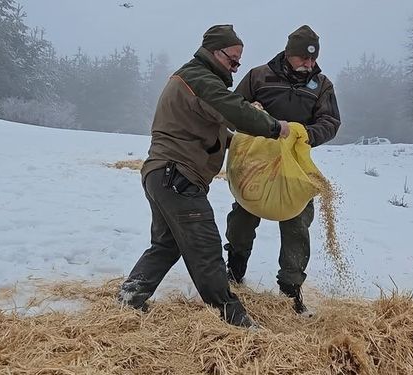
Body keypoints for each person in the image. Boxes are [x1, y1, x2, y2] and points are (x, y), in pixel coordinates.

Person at [118, 25, 290, 328]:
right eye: (232, 59)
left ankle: (129, 298)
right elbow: (233, 111)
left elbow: (211, 129)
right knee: (207, 248)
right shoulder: (200, 79)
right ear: (214, 51)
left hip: (161, 174)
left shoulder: (193, 79)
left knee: (166, 244)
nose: (236, 67)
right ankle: (234, 320)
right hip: (178, 176)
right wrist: (275, 127)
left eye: (239, 62)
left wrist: (240, 143)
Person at [224, 25, 341, 316]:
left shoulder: (322, 85)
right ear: (289, 54)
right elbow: (233, 109)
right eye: (303, 58)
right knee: (242, 216)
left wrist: (306, 135)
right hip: (257, 162)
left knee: (298, 225)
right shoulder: (259, 76)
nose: (309, 64)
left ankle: (291, 291)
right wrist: (251, 110)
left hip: (294, 166)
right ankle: (235, 271)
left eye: (313, 60)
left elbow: (330, 122)